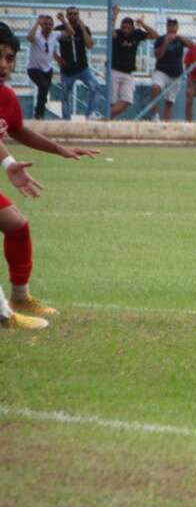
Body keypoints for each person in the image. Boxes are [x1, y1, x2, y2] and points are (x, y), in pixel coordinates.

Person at [0, 22, 100, 330]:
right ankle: (3, 315)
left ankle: (19, 297)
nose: (4, 65)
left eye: (9, 57)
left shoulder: (5, 97)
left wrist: (59, 149)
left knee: (16, 225)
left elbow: (18, 131)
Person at [109, 5, 158, 120]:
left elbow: (155, 36)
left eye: (128, 28)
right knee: (112, 102)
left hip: (128, 73)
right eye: (123, 27)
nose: (125, 30)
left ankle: (103, 119)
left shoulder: (137, 34)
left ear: (132, 28)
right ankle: (109, 123)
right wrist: (114, 16)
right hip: (114, 70)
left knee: (127, 100)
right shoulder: (117, 33)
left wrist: (143, 24)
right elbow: (111, 32)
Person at [54, 6, 101, 120]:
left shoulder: (83, 28)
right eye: (70, 14)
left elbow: (89, 45)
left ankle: (90, 113)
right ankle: (66, 118)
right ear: (67, 15)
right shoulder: (59, 29)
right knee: (65, 94)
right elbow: (50, 44)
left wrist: (83, 28)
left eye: (75, 14)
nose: (73, 16)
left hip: (82, 67)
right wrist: (56, 58)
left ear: (78, 16)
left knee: (95, 86)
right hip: (67, 69)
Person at [149, 18, 192, 121]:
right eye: (169, 25)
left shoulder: (180, 40)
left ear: (177, 27)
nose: (171, 28)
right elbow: (158, 56)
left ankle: (166, 125)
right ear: (166, 27)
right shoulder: (160, 39)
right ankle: (154, 115)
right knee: (155, 87)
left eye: (174, 26)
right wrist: (165, 43)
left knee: (169, 102)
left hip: (176, 74)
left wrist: (179, 37)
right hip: (161, 72)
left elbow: (192, 45)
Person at [25, 15, 61, 120]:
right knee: (43, 87)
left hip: (47, 69)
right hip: (34, 68)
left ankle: (39, 115)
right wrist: (37, 23)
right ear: (42, 25)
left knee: (44, 92)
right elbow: (29, 38)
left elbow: (71, 33)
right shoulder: (36, 34)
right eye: (45, 24)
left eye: (50, 24)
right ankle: (38, 113)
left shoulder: (54, 34)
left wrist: (63, 20)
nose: (48, 26)